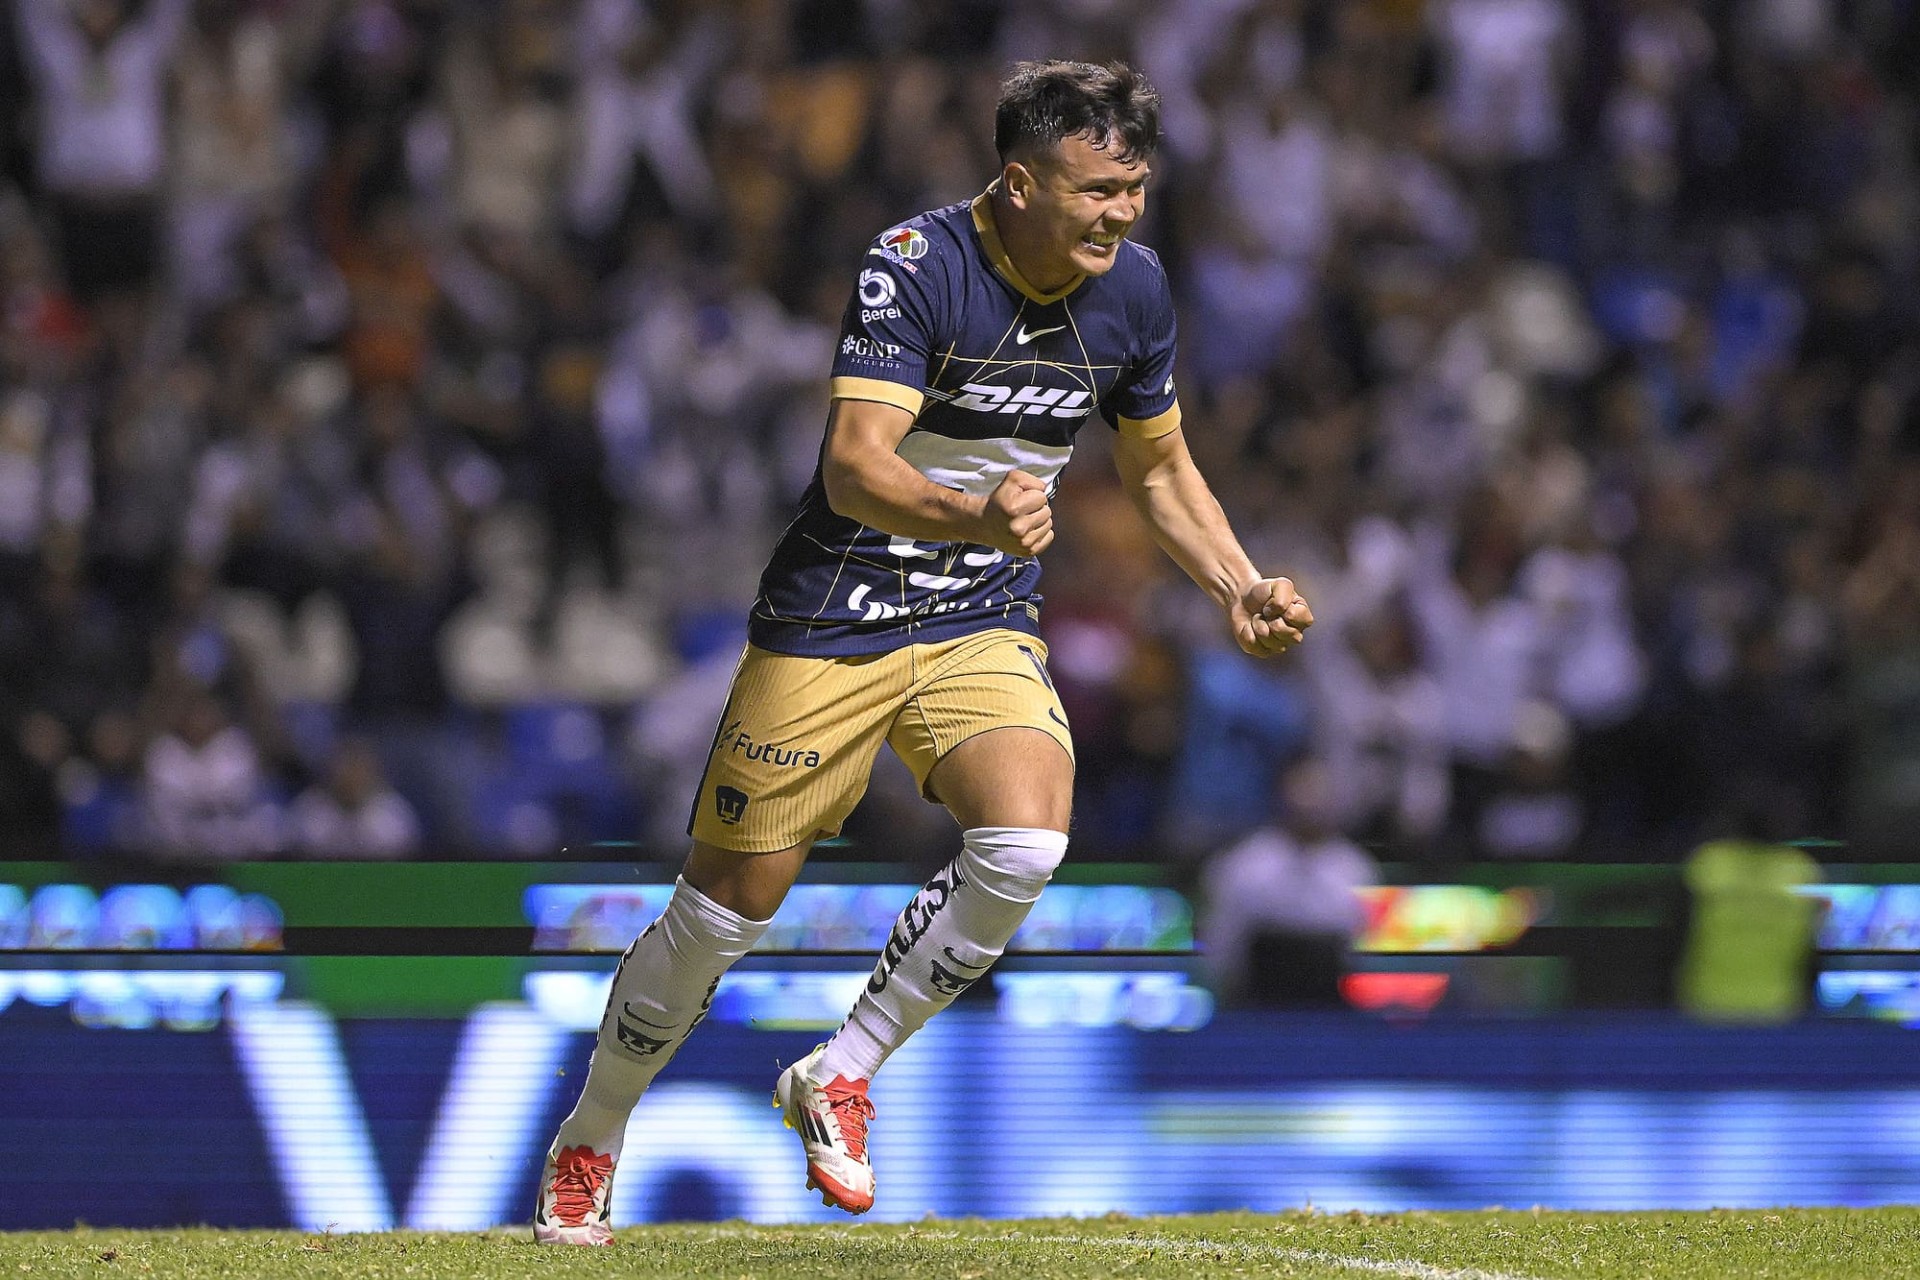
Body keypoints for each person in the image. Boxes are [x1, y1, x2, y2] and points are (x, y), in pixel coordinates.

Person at [532, 59, 1313, 1245]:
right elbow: (855, 463)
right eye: (1098, 190)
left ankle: (840, 1069)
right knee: (727, 909)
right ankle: (592, 1132)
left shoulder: (1136, 289)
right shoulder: (915, 264)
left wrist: (1236, 582)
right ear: (1020, 182)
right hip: (836, 610)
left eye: (1135, 189)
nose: (1122, 213)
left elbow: (1157, 465)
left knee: (1029, 837)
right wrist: (975, 513)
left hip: (978, 614)